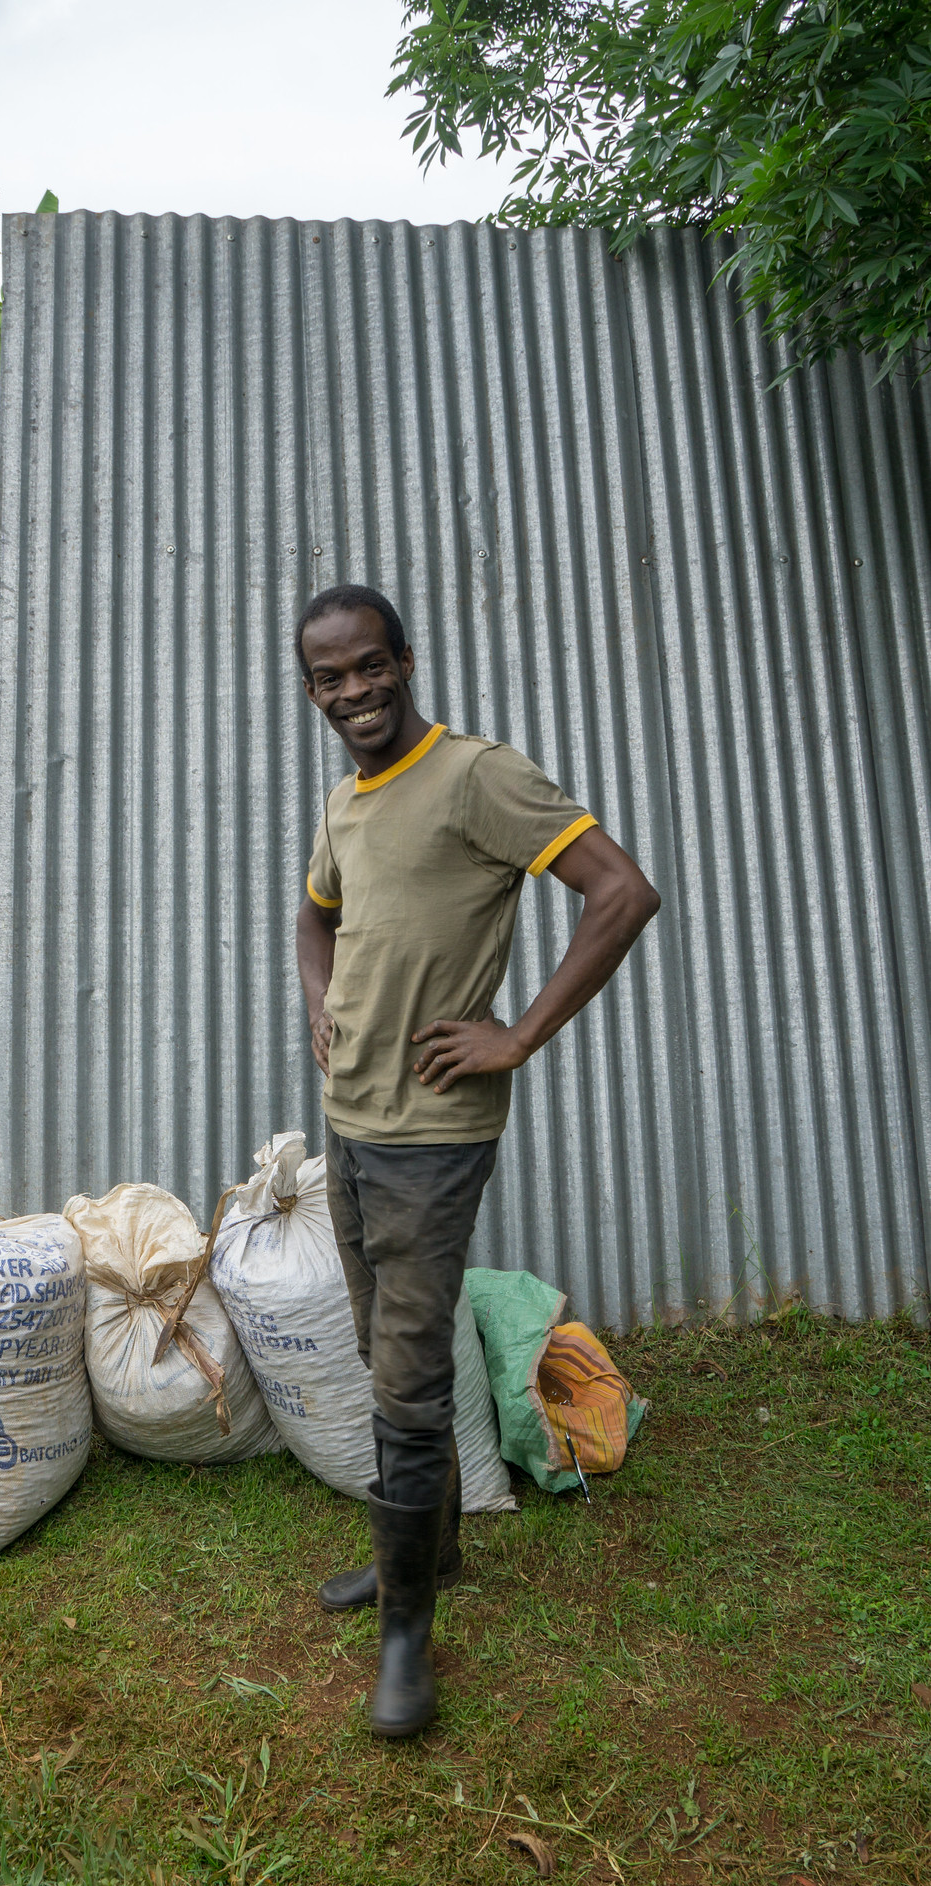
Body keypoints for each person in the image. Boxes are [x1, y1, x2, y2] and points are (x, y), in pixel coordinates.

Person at [295, 584, 660, 1739]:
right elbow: (315, 917)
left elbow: (621, 889)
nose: (352, 692)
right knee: (381, 1351)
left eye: (367, 667)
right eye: (327, 678)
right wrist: (319, 999)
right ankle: (432, 1557)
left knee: (403, 1386)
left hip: (432, 1140)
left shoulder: (477, 776)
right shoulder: (351, 802)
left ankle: (407, 1633)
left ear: (404, 660)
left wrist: (517, 1034)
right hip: (350, 1125)